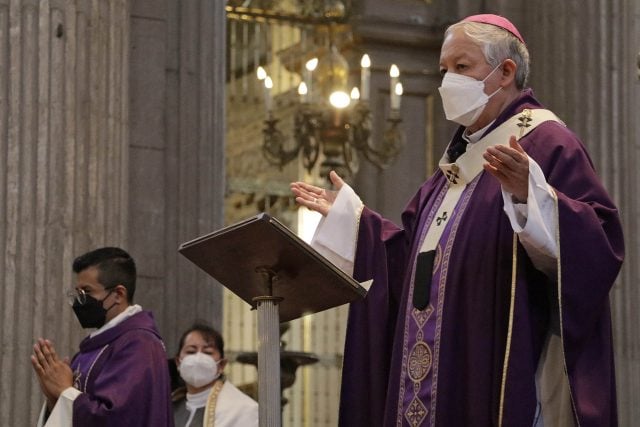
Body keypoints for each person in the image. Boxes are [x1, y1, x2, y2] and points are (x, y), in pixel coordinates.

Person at [291, 14, 624, 427]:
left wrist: (531, 196)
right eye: (444, 70)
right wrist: (353, 222)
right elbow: (410, 262)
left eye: (462, 68)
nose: (448, 81)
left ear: (505, 72)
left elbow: (599, 246)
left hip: (498, 368)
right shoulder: (449, 173)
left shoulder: (547, 143)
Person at [30, 247, 174, 426]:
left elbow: (118, 418)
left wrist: (64, 390)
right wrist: (55, 398)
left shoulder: (139, 344)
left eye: (86, 292)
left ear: (118, 294)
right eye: (77, 293)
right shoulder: (94, 347)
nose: (79, 301)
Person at [172, 323, 259, 427]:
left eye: (208, 352)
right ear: (178, 362)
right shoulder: (169, 407)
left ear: (221, 365)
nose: (198, 358)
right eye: (191, 351)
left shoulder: (241, 409)